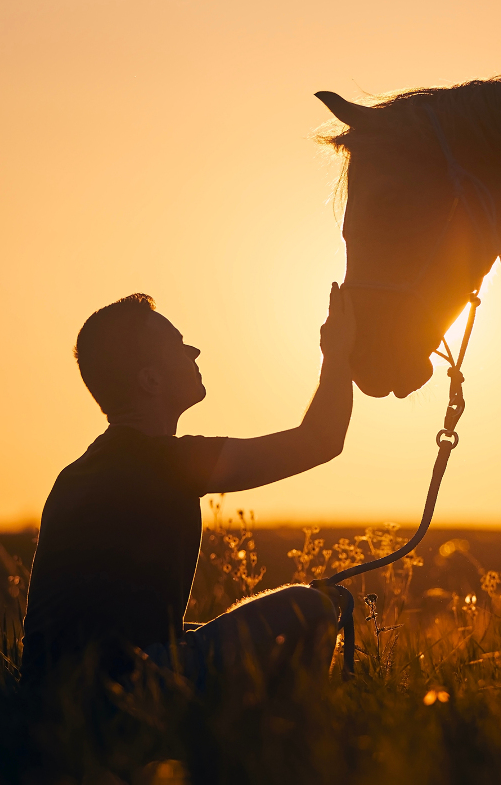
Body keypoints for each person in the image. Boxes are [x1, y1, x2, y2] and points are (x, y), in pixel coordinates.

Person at [21, 285, 355, 691]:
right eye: (179, 346)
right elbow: (320, 440)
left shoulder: (77, 474)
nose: (194, 352)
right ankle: (290, 735)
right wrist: (338, 353)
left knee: (197, 631)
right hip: (121, 686)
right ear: (150, 379)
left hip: (49, 695)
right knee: (311, 607)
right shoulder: (164, 462)